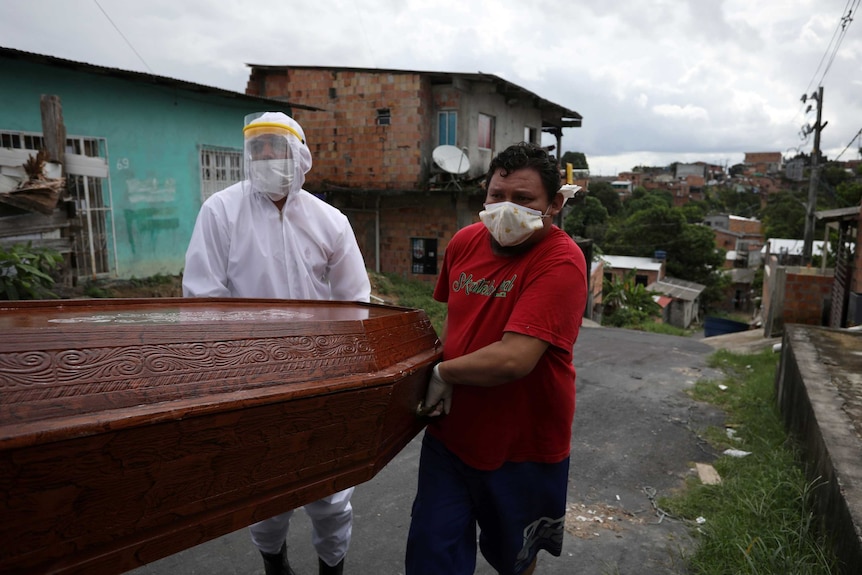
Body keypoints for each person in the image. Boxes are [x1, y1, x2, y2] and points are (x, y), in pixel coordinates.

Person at [183, 111, 370, 575]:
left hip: (322, 377)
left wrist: (342, 370)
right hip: (251, 377)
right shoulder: (220, 211)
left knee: (330, 494)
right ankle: (274, 562)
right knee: (265, 492)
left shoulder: (330, 221)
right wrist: (235, 368)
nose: (266, 156)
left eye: (276, 146)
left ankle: (332, 565)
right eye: (258, 147)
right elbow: (202, 297)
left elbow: (354, 301)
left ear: (300, 155)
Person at [406, 142, 588, 575]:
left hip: (522, 445)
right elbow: (455, 320)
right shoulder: (465, 242)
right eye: (496, 196)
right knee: (432, 555)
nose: (506, 209)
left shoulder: (562, 262)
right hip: (452, 438)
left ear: (555, 204)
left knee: (515, 559)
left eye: (524, 200)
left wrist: (444, 373)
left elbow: (514, 359)